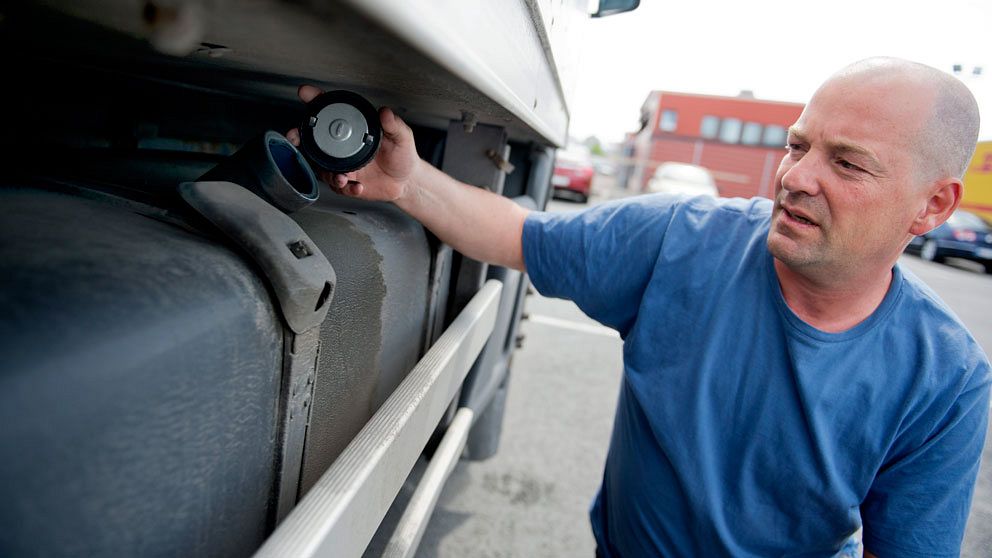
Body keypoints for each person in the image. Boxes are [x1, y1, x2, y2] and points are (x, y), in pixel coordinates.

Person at [287, 57, 991, 557]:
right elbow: (518, 235)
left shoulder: (945, 379)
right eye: (797, 145)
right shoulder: (684, 243)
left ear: (932, 206)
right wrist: (407, 184)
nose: (796, 177)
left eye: (847, 163)